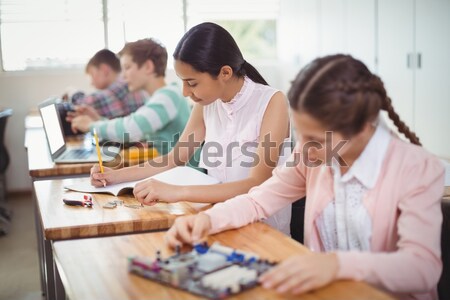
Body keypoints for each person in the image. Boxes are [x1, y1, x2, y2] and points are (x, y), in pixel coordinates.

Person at [164, 54, 445, 299]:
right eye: (301, 136)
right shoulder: (311, 155)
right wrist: (206, 220)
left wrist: (337, 265)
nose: (306, 151)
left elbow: (422, 268)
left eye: (316, 140)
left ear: (361, 129)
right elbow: (258, 201)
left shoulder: (417, 168)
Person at [90, 22, 293, 235]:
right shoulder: (207, 102)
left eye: (192, 83)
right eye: (183, 82)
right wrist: (115, 176)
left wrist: (178, 192)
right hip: (217, 221)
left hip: (264, 230)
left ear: (224, 73)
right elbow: (174, 158)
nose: (186, 92)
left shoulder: (272, 101)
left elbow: (255, 184)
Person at [69, 38, 191, 155]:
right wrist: (98, 120)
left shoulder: (168, 97)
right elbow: (137, 133)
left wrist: (91, 126)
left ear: (148, 67)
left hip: (184, 174)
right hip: (172, 171)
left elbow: (131, 128)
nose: (123, 76)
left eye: (127, 68)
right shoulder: (158, 97)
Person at [68, 48, 147, 119]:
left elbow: (85, 103)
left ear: (104, 70)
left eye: (92, 75)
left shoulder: (122, 85)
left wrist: (72, 93)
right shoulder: (122, 85)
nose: (91, 83)